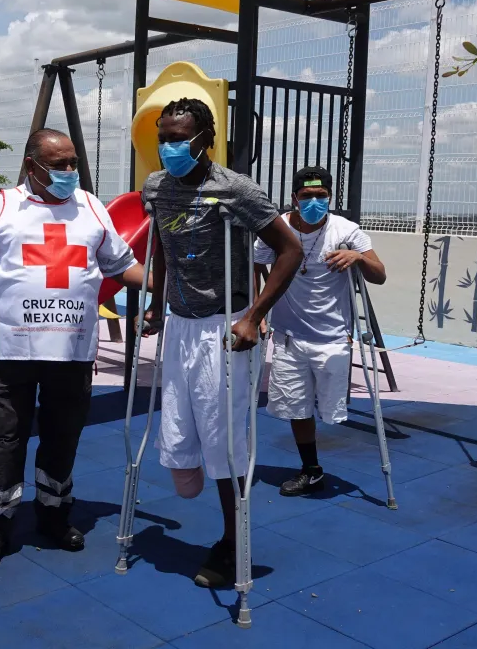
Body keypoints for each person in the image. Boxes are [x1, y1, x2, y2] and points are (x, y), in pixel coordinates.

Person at [0, 128, 147, 574]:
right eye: (58, 164)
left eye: (72, 162)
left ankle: (54, 514)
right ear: (31, 166)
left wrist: (168, 287)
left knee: (63, 435)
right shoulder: (0, 209)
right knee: (4, 437)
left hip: (73, 351)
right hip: (12, 351)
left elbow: (123, 265)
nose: (69, 171)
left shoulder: (92, 208)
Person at [141, 98, 303, 588]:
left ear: (205, 140)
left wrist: (255, 316)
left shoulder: (236, 190)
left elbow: (290, 250)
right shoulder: (156, 187)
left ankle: (233, 545)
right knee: (181, 428)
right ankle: (211, 510)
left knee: (225, 440)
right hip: (181, 323)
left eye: (179, 137)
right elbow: (164, 245)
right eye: (163, 137)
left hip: (226, 328)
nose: (169, 146)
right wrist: (156, 302)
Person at [252, 164, 386, 497]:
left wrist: (356, 257)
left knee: (330, 412)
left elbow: (379, 274)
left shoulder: (347, 230)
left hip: (332, 337)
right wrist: (259, 310)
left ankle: (314, 466)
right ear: (295, 198)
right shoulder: (278, 228)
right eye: (307, 196)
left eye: (321, 196)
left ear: (330, 196)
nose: (314, 202)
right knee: (295, 408)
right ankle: (311, 470)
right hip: (288, 336)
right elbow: (255, 262)